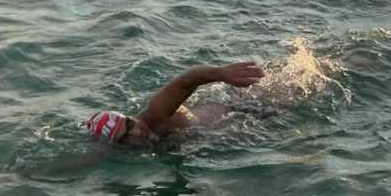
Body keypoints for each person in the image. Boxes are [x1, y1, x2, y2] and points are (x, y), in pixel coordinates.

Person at [86, 61, 264, 145]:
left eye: (130, 123)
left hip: (245, 107)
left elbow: (187, 80)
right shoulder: (144, 145)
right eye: (125, 136)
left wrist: (222, 73)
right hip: (232, 125)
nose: (137, 131)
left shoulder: (156, 113)